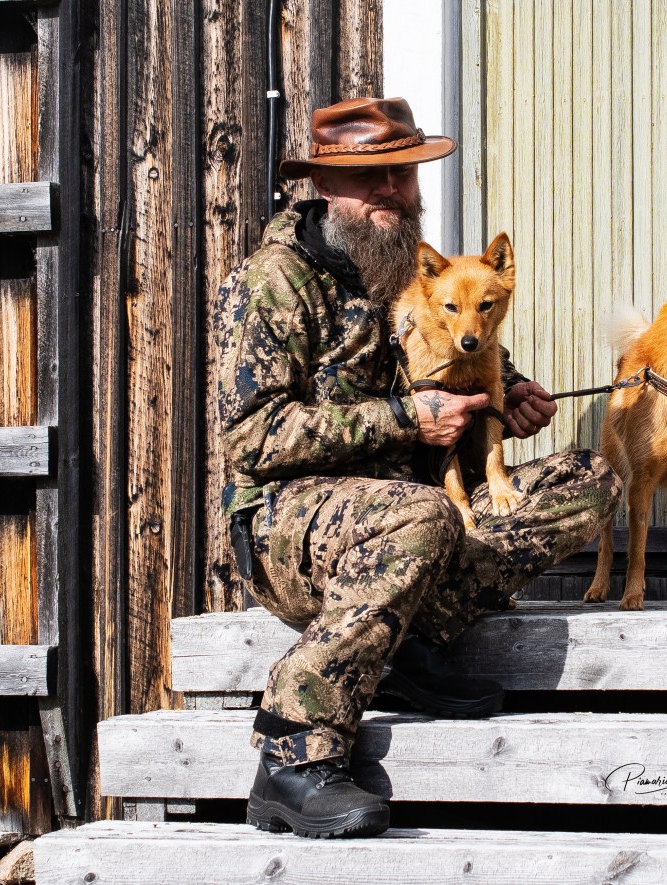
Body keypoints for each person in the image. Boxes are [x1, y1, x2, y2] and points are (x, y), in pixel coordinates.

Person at [214, 96, 622, 839]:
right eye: (369, 179)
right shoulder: (274, 281)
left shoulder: (412, 267)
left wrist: (507, 394)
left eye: (402, 175)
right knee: (424, 511)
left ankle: (406, 638)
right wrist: (405, 419)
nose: (391, 192)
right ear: (323, 185)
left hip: (414, 514)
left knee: (587, 479)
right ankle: (292, 750)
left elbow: (458, 353)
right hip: (288, 525)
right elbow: (250, 437)